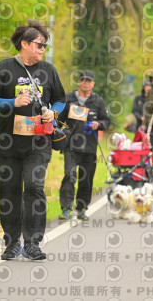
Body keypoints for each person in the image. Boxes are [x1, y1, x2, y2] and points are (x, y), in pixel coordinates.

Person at [0, 19, 66, 261]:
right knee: (9, 191)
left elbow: (61, 99)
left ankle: (32, 243)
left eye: (45, 46)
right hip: (7, 143)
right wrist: (12, 102)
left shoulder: (48, 71)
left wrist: (53, 112)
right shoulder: (3, 68)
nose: (42, 50)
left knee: (34, 187)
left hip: (38, 143)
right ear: (25, 44)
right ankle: (11, 243)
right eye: (39, 45)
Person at [58, 70, 111, 220]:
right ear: (78, 82)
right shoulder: (69, 99)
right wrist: (59, 134)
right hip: (71, 145)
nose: (86, 83)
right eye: (83, 80)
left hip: (89, 146)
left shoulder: (98, 101)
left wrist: (98, 124)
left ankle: (81, 208)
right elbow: (59, 119)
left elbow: (106, 121)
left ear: (93, 84)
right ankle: (66, 208)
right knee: (69, 175)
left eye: (89, 81)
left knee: (86, 179)